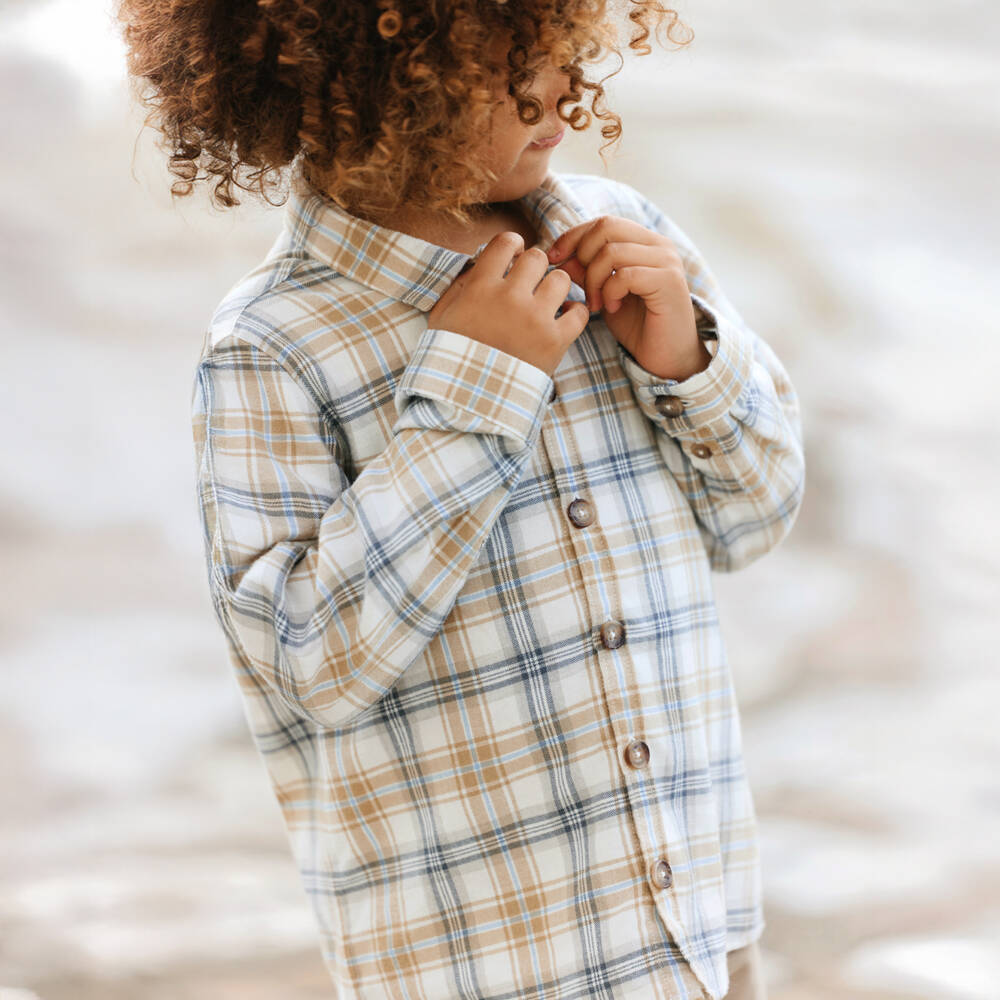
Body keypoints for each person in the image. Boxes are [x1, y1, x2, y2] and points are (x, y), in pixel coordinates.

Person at [120, 1, 805, 997]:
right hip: (494, 966)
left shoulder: (626, 242)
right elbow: (310, 665)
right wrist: (477, 385)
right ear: (377, 89)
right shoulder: (272, 347)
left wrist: (688, 362)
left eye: (559, 48)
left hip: (701, 934)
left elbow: (754, 521)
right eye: (508, 68)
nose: (562, 88)